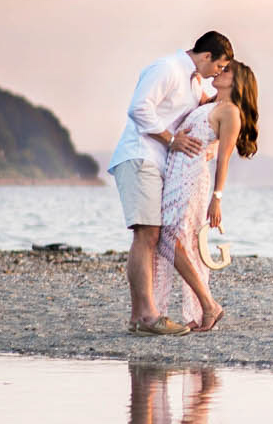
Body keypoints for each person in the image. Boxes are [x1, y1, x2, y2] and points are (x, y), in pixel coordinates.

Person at [108, 32, 232, 335]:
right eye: (219, 66)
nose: (217, 73)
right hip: (140, 157)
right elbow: (139, 109)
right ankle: (148, 315)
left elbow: (206, 112)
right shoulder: (167, 68)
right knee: (146, 234)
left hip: (157, 163)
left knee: (151, 236)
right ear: (207, 56)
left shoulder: (192, 82)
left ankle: (141, 317)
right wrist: (172, 139)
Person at [151, 59, 260, 333]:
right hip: (174, 176)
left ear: (237, 82)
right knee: (177, 244)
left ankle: (208, 305)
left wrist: (217, 198)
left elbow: (223, 159)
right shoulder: (207, 103)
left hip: (192, 181)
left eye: (226, 71)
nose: (220, 72)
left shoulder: (231, 112)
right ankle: (198, 312)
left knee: (170, 241)